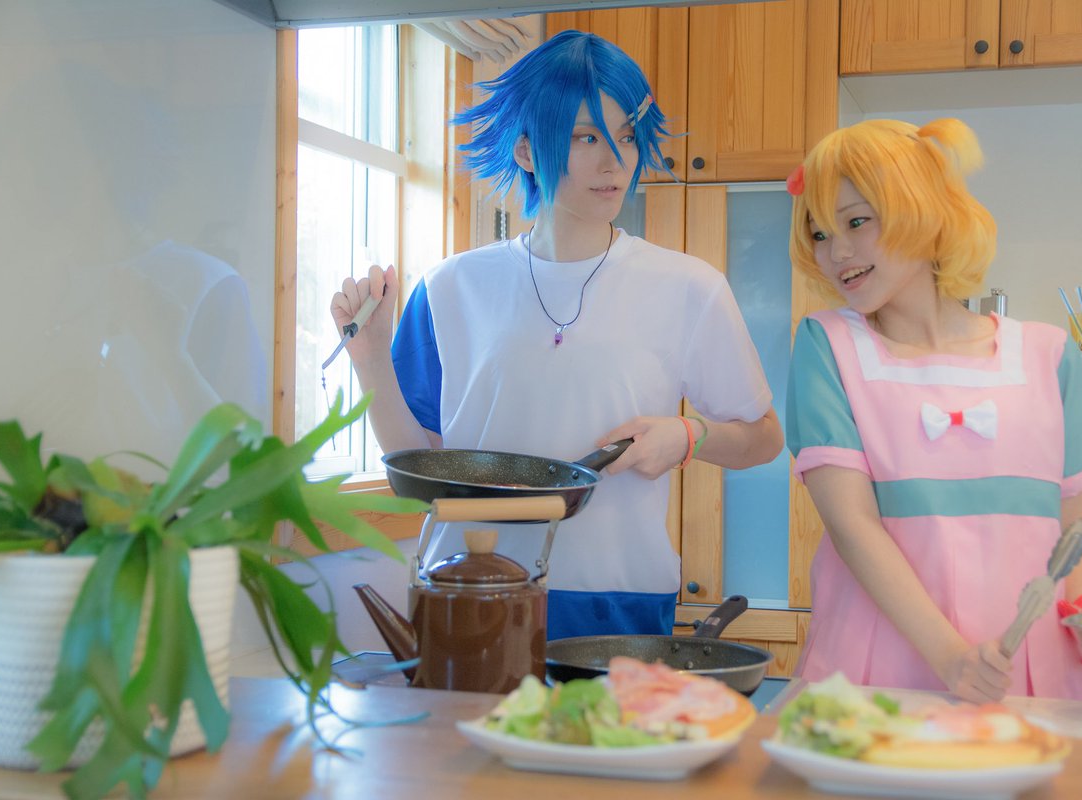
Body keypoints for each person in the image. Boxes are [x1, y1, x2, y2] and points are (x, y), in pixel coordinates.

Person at [330, 30, 784, 640]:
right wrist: (369, 358)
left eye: (627, 136)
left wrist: (688, 436)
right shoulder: (449, 287)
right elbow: (420, 468)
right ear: (525, 150)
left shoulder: (689, 286)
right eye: (586, 137)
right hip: (466, 589)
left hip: (618, 601)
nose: (615, 161)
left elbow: (763, 438)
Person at [784, 117, 1082, 703]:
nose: (837, 252)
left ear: (923, 210)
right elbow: (853, 526)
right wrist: (952, 658)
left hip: (1033, 670)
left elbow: (1071, 532)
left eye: (856, 221)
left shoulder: (1048, 354)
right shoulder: (826, 346)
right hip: (880, 671)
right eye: (820, 233)